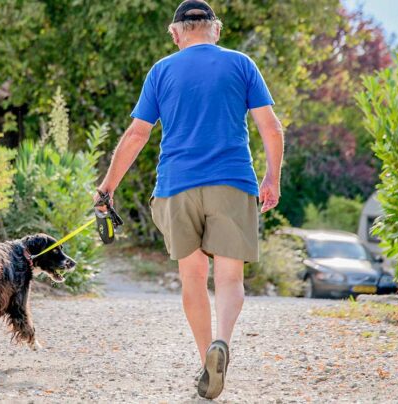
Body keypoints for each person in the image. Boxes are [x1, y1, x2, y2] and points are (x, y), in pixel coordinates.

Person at [94, 0, 284, 399]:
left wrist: (108, 185)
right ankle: (222, 345)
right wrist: (272, 178)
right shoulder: (241, 64)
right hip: (232, 182)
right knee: (230, 278)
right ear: (215, 29)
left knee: (193, 279)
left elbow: (136, 136)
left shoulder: (161, 71)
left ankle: (205, 363)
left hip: (176, 186)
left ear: (176, 33)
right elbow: (270, 127)